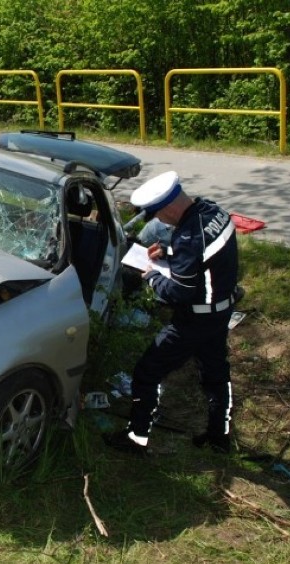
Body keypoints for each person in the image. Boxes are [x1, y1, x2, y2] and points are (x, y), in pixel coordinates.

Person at [105, 171, 240, 455]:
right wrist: (168, 254)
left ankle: (136, 438)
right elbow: (204, 262)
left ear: (168, 208)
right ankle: (219, 436)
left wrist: (152, 275)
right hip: (221, 311)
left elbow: (178, 292)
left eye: (158, 216)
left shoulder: (189, 238)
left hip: (195, 320)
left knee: (147, 371)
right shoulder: (215, 212)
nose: (160, 222)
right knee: (216, 374)